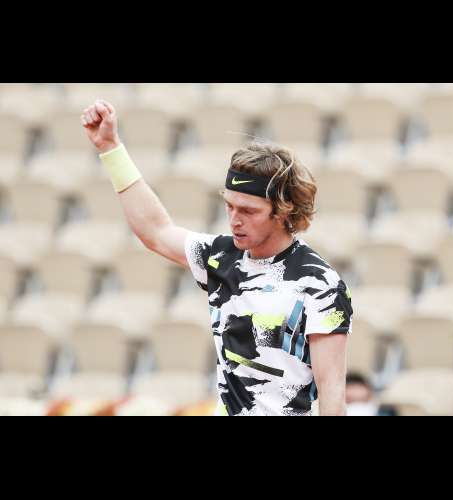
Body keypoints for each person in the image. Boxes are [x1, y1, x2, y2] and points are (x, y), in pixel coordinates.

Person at [81, 99, 354, 416]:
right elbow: (154, 231)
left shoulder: (320, 284)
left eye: (248, 211)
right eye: (229, 206)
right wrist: (110, 148)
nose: (234, 219)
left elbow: (332, 391)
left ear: (283, 211)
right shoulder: (221, 256)